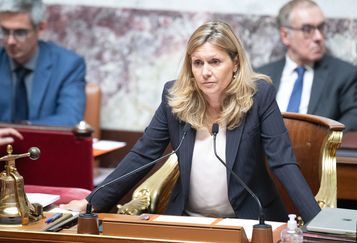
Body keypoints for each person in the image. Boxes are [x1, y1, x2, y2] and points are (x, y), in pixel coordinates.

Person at [61, 21, 320, 223]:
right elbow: (142, 155)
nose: (205, 71)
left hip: (249, 221)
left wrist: (318, 222)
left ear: (235, 63)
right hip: (188, 220)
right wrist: (90, 203)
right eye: (198, 63)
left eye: (215, 62)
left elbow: (282, 161)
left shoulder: (258, 96)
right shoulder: (175, 98)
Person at [257, 0, 357, 131]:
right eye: (307, 30)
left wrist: (324, 140)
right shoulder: (261, 76)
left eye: (321, 27)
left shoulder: (343, 74)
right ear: (285, 36)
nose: (318, 37)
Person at [0, 0, 86, 127]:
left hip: (45, 145)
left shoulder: (68, 65)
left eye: (20, 33)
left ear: (40, 28)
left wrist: (23, 129)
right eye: (5, 31)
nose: (10, 41)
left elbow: (70, 118)